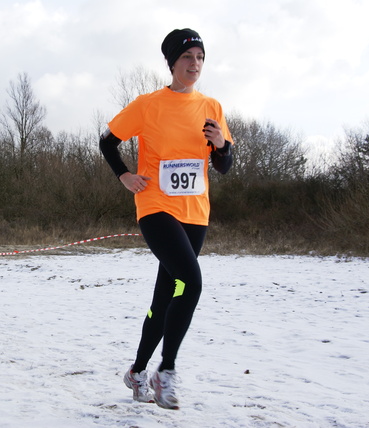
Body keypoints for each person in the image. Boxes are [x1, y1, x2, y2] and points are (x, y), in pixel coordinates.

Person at [99, 28, 234, 410]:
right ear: (172, 63)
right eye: (188, 58)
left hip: (196, 212)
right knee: (190, 283)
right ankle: (167, 371)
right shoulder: (148, 104)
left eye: (201, 58)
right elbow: (107, 141)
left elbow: (223, 166)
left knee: (166, 297)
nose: (195, 65)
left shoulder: (212, 108)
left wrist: (221, 146)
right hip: (156, 206)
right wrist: (125, 175)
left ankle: (138, 371)